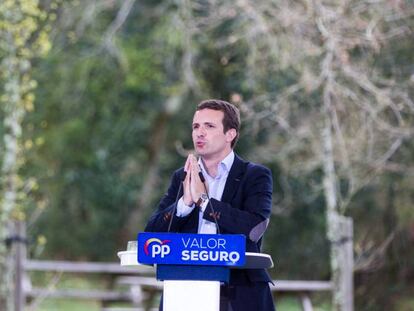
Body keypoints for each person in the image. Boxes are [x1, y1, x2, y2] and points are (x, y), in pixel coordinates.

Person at [145, 99, 275, 311]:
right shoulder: (182, 176)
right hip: (184, 290)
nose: (199, 133)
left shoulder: (255, 175)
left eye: (209, 126)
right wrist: (185, 203)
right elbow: (151, 235)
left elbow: (253, 228)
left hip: (238, 293)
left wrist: (204, 202)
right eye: (196, 126)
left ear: (230, 134)